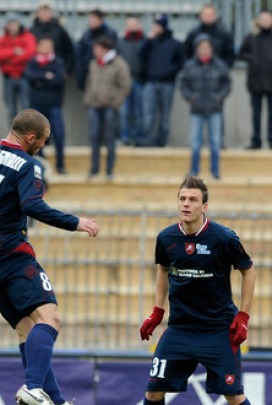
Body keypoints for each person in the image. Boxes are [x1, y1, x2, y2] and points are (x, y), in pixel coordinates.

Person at [0, 108, 98, 405]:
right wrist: (75, 222)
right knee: (51, 317)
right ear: (30, 138)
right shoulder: (27, 164)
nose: (41, 147)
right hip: (11, 252)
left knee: (27, 329)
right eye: (42, 142)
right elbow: (33, 205)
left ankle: (55, 400)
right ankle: (33, 388)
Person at [139, 176, 255, 405]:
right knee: (153, 391)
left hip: (218, 329)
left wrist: (243, 316)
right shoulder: (166, 238)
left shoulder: (224, 238)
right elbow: (163, 271)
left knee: (233, 395)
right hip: (180, 328)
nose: (186, 204)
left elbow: (249, 271)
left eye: (192, 199)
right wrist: (157, 311)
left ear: (204, 207)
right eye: (182, 199)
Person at [179, 36, 230, 180]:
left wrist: (220, 96)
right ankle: (194, 170)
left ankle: (215, 170)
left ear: (211, 49)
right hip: (197, 109)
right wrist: (190, 97)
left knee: (215, 141)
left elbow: (227, 83)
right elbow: (183, 84)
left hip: (215, 108)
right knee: (195, 141)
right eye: (201, 48)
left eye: (207, 48)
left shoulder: (219, 65)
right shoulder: (190, 66)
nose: (204, 50)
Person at [83, 36, 131, 180]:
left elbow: (125, 85)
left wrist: (115, 102)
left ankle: (109, 170)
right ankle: (94, 168)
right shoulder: (93, 63)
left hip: (110, 107)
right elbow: (89, 83)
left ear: (105, 49)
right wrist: (88, 100)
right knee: (94, 137)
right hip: (94, 105)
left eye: (97, 49)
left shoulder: (118, 63)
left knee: (109, 138)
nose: (94, 51)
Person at [137, 13, 184, 148]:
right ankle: (148, 139)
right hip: (150, 82)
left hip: (167, 83)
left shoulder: (174, 43)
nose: (155, 28)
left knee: (164, 115)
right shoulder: (151, 42)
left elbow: (180, 62)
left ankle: (162, 140)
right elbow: (141, 56)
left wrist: (169, 72)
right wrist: (148, 40)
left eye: (158, 25)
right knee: (148, 114)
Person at [25, 38, 67, 174]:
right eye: (43, 45)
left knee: (59, 134)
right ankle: (39, 163)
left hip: (54, 104)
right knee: (36, 136)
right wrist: (46, 76)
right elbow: (29, 76)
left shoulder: (58, 62)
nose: (46, 48)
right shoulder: (33, 62)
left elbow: (59, 79)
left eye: (49, 45)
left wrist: (40, 81)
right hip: (37, 105)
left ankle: (60, 164)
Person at [0, 14, 37, 125]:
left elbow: (30, 53)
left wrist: (10, 60)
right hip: (8, 78)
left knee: (26, 110)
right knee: (11, 110)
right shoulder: (2, 39)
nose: (12, 26)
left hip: (23, 76)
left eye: (14, 23)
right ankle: (13, 138)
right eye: (9, 23)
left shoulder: (28, 37)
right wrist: (13, 51)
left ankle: (26, 137)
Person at [239, 10, 272, 150]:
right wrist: (253, 60)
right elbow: (241, 53)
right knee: (256, 113)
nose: (265, 21)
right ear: (258, 20)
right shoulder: (251, 36)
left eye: (268, 19)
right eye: (263, 19)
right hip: (256, 81)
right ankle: (256, 140)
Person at [116, 15, 146, 146]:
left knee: (140, 111)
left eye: (135, 24)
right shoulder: (120, 42)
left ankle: (138, 138)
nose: (132, 27)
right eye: (130, 24)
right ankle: (125, 137)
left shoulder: (145, 42)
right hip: (124, 83)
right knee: (124, 112)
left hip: (140, 80)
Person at [75, 9, 117, 91]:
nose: (90, 22)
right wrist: (80, 78)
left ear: (100, 20)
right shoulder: (86, 35)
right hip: (89, 74)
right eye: (90, 20)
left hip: (107, 75)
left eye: (93, 19)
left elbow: (115, 54)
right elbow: (80, 56)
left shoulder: (110, 34)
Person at [30, 3, 75, 78]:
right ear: (37, 13)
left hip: (57, 69)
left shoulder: (60, 30)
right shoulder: (32, 31)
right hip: (37, 71)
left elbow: (69, 50)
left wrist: (68, 70)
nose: (45, 13)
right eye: (42, 10)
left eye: (47, 10)